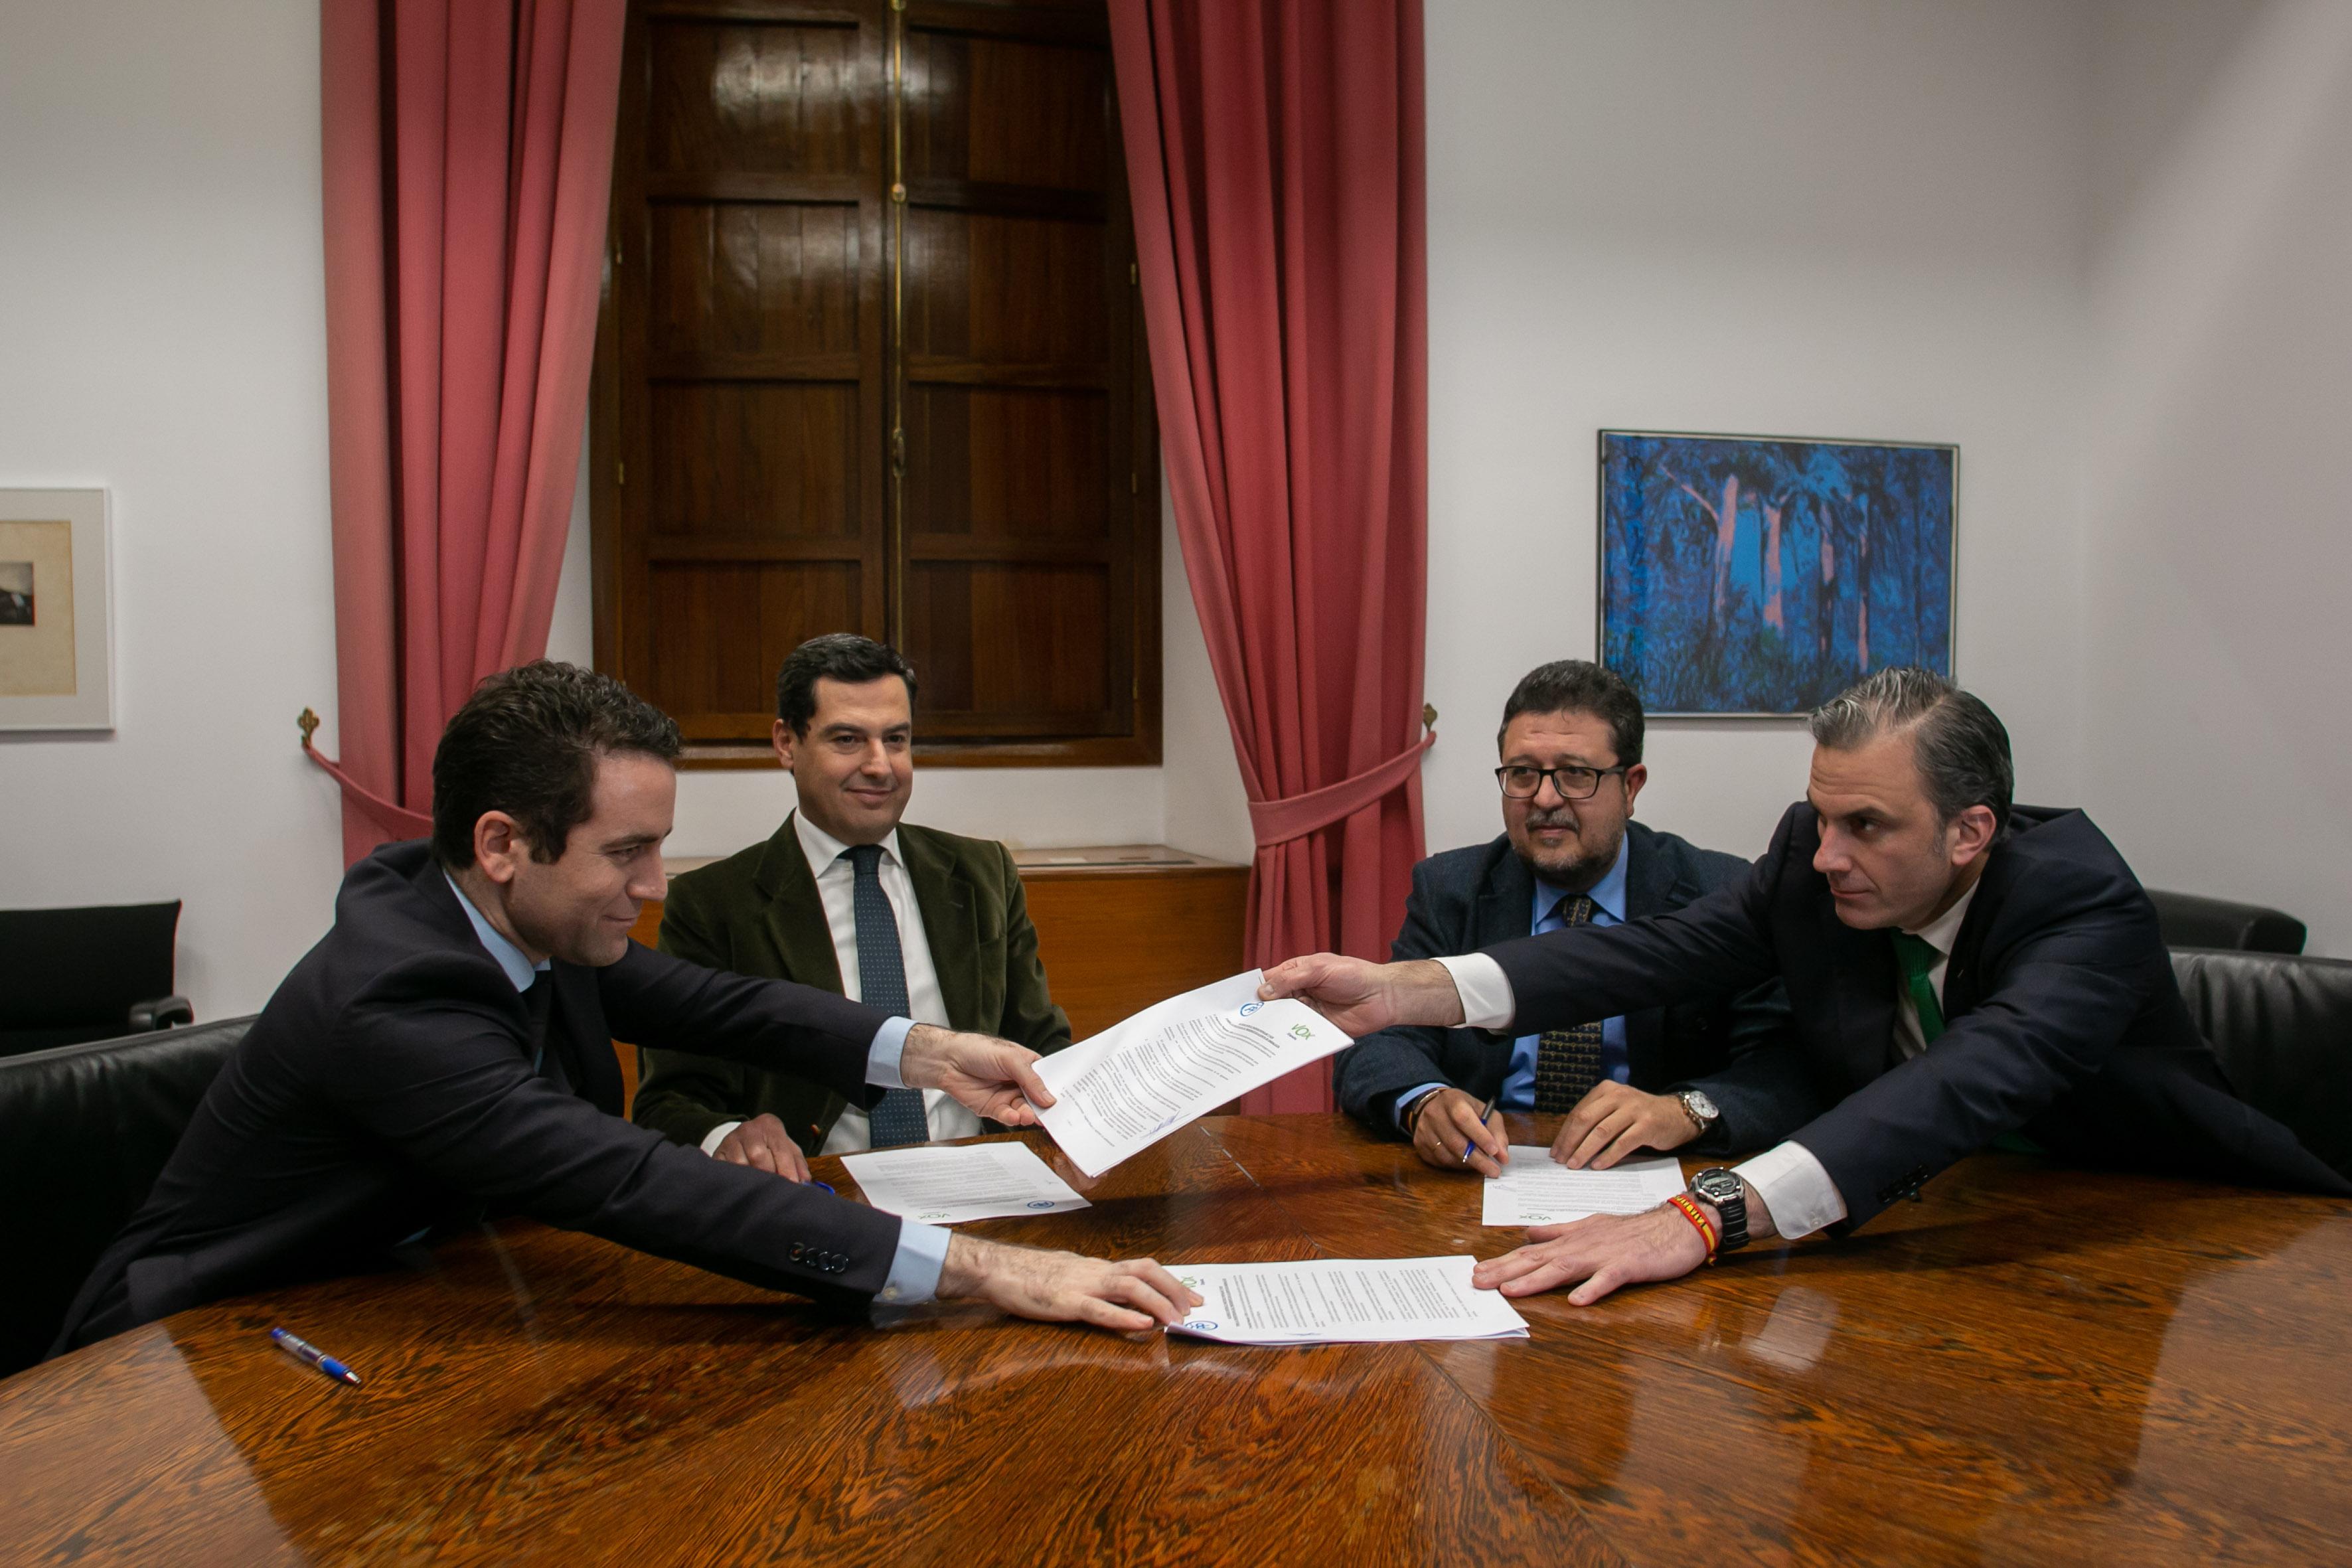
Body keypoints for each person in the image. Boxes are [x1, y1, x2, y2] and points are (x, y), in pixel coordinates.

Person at [53, 662, 1195, 1354]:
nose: (655, 888)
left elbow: (722, 1004)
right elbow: (630, 1180)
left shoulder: (481, 909)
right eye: (627, 853)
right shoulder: (393, 1002)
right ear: (503, 843)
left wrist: (932, 1051)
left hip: (396, 1297)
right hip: (195, 1354)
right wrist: (989, 1269)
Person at [1263, 666, 2349, 1306]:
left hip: (2178, 1238)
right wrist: (1402, 990)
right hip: (1927, 1217)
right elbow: (1653, 952)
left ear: (1971, 831)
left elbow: (1963, 1084)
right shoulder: (1807, 854)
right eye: (1821, 816)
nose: (1825, 854)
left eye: (1865, 826)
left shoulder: (2080, 904)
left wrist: (1703, 1216)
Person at [634, 635, 1069, 1178]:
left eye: (897, 740)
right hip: (822, 1197)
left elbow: (1042, 1044)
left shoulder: (982, 873)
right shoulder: (713, 903)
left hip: (989, 1180)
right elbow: (669, 1103)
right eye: (847, 739)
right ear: (787, 743)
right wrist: (727, 1135)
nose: (879, 765)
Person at [1332, 659, 1790, 1175]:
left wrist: (1683, 1109)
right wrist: (1425, 1100)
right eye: (1523, 773)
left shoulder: (1717, 892)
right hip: (1487, 1174)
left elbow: (1782, 1064)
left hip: (1659, 1179)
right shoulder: (1452, 887)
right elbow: (1380, 1036)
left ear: (1630, 786)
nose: (1545, 799)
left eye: (1575, 774)